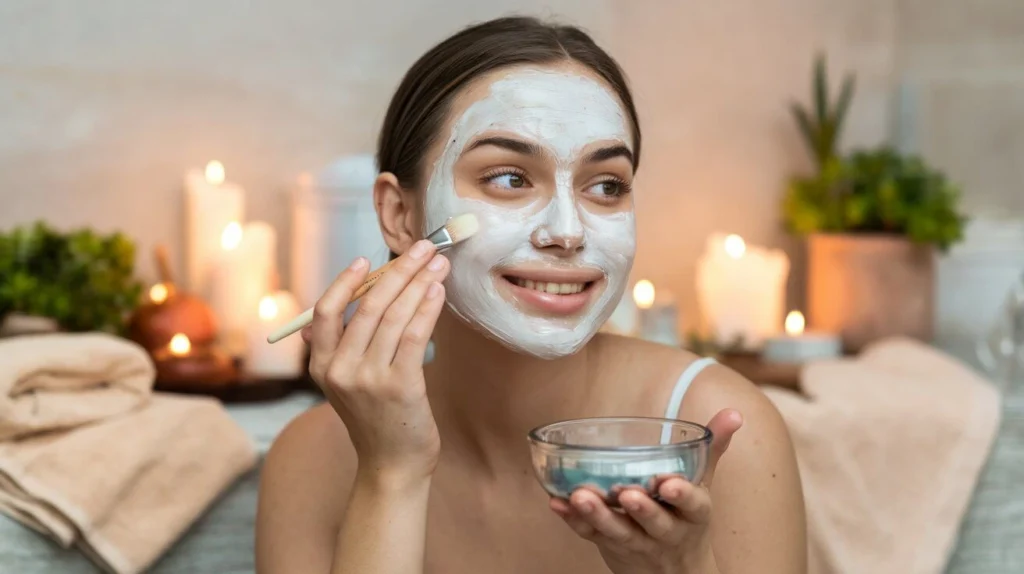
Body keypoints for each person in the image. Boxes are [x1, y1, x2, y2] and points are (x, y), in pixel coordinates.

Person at [256, 15, 806, 574]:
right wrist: (390, 475)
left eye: (606, 185)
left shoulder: (720, 432)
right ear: (400, 215)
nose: (568, 231)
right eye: (509, 178)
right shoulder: (311, 460)